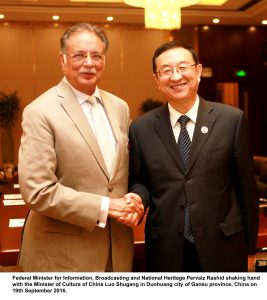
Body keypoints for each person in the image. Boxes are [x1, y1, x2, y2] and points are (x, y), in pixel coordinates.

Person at [18, 22, 143, 272]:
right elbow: (37, 191)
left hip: (117, 250)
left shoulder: (119, 107)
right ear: (63, 60)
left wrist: (134, 198)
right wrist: (107, 207)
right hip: (63, 256)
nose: (89, 62)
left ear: (104, 60)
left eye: (96, 55)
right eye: (79, 55)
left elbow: (120, 173)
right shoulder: (40, 111)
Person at [129, 41, 259, 272]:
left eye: (182, 67)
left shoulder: (231, 120)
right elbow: (139, 180)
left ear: (198, 71)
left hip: (224, 245)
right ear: (157, 80)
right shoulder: (142, 128)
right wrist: (137, 199)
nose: (175, 76)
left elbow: (246, 188)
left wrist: (250, 249)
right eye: (166, 71)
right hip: (166, 248)